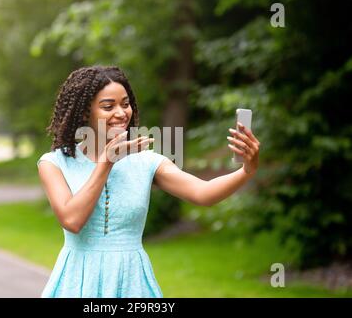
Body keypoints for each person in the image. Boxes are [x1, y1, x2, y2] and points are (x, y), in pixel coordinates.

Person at [37, 65, 260, 298]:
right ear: (84, 113)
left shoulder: (147, 162)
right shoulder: (54, 163)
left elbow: (203, 193)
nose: (121, 113)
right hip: (77, 283)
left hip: (132, 284)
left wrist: (247, 170)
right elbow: (72, 220)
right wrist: (106, 163)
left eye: (125, 104)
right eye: (108, 106)